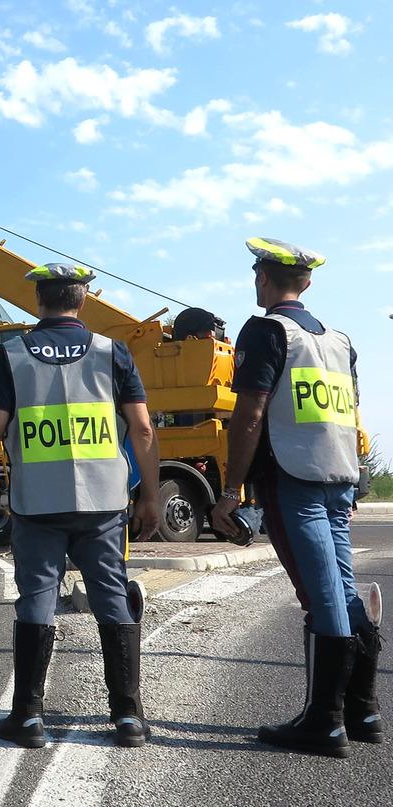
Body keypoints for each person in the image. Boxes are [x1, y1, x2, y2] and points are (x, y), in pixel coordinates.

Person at [0, 263, 161, 749]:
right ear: (83, 300)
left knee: (37, 597)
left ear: (38, 299)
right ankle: (127, 716)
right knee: (111, 596)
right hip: (103, 501)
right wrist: (150, 495)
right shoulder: (111, 352)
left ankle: (29, 717)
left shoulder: (12, 354)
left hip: (38, 501)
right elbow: (142, 430)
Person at [210, 237, 377, 758]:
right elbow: (349, 415)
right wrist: (355, 480)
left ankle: (324, 723)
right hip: (337, 476)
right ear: (306, 282)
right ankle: (363, 710)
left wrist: (231, 488)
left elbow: (251, 414)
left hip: (291, 478)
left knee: (320, 595)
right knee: (343, 588)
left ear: (264, 278)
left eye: (257, 273)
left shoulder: (264, 331)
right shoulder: (339, 340)